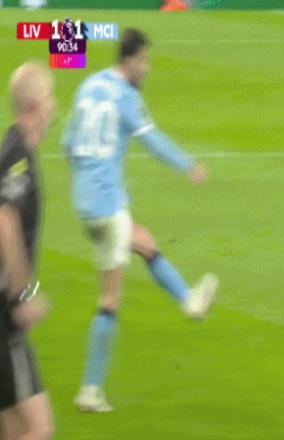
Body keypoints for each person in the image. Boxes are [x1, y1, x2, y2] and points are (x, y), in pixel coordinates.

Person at [63, 28, 218, 412]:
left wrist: (86, 179)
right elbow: (153, 140)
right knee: (109, 299)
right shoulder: (127, 97)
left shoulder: (88, 85)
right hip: (108, 207)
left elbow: (67, 143)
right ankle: (90, 390)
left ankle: (189, 300)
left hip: (85, 203)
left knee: (144, 242)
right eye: (145, 60)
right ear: (130, 59)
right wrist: (189, 165)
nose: (147, 68)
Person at [0, 62, 55, 439]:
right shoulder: (17, 158)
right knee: (38, 429)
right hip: (4, 316)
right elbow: (5, 220)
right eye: (50, 97)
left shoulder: (13, 151)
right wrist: (23, 295)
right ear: (34, 106)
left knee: (12, 427)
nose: (54, 106)